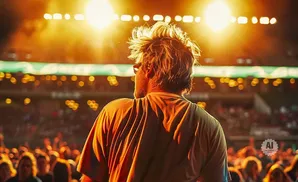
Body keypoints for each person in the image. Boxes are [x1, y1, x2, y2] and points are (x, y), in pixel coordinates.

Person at [78, 22, 230, 182]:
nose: (135, 75)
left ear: (149, 67)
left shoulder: (115, 112)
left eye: (137, 68)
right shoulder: (209, 127)